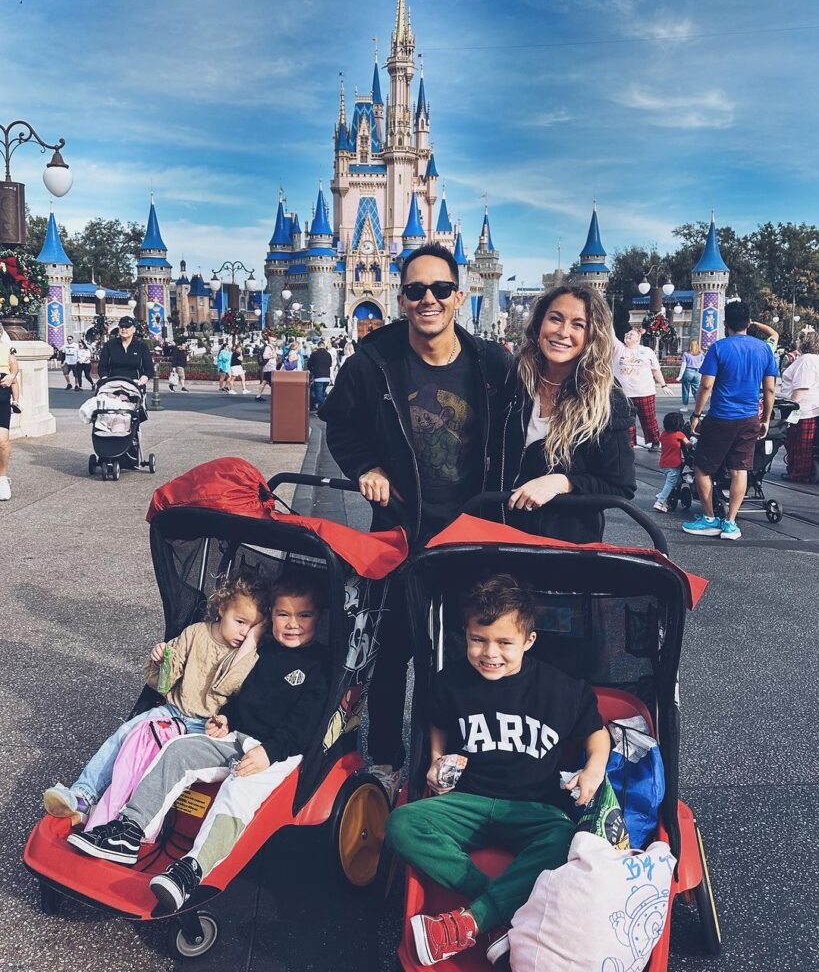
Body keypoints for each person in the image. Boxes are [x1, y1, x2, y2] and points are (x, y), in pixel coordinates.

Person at [319, 243, 514, 799]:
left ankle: (454, 759)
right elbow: (341, 426)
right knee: (391, 650)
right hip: (401, 531)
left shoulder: (490, 365)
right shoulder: (372, 364)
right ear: (401, 298)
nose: (429, 299)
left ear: (459, 295)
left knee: (466, 652)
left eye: (440, 289)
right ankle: (384, 759)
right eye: (416, 290)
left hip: (472, 536)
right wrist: (366, 467)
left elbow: (531, 418)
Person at [67, 571, 330, 913]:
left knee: (238, 790)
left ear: (318, 618)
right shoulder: (264, 652)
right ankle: (129, 831)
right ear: (270, 619)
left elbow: (305, 724)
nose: (293, 624)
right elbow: (243, 697)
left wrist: (269, 752)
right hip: (238, 737)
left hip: (278, 753)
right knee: (179, 749)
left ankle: (192, 869)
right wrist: (228, 718)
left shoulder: (320, 665)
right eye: (283, 615)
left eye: (304, 615)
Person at [386, 573, 609, 967]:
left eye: (505, 643)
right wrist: (437, 760)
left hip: (532, 808)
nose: (490, 653)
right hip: (467, 800)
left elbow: (596, 734)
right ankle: (493, 912)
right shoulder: (451, 682)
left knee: (564, 839)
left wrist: (592, 770)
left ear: (529, 641)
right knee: (402, 822)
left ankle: (470, 921)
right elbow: (437, 721)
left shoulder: (559, 688)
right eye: (478, 640)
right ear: (466, 635)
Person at [42, 572, 270, 824]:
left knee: (160, 759)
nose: (244, 632)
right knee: (126, 733)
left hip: (208, 727)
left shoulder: (249, 655)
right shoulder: (195, 633)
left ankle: (129, 814)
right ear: (222, 607)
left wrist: (252, 643)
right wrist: (162, 660)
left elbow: (227, 687)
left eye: (253, 627)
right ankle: (83, 794)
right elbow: (162, 685)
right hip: (173, 711)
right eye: (240, 622)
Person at [498, 287, 636, 544]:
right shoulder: (514, 380)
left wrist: (562, 483)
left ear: (592, 335)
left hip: (563, 547)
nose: (563, 332)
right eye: (556, 319)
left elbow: (620, 485)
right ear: (540, 323)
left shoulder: (606, 400)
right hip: (498, 535)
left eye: (578, 324)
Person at [682, 300, 778, 541]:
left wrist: (696, 415)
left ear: (725, 324)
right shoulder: (764, 349)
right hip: (749, 418)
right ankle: (731, 523)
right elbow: (769, 390)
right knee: (740, 469)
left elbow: (706, 385)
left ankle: (710, 518)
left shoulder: (719, 348)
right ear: (748, 323)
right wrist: (764, 418)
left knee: (703, 468)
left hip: (721, 417)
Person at [612, 328, 673, 450]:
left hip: (645, 392)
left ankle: (655, 441)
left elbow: (656, 370)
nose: (627, 335)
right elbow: (610, 333)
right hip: (624, 394)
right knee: (627, 421)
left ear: (638, 339)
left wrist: (664, 385)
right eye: (626, 333)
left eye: (631, 334)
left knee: (649, 419)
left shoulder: (647, 351)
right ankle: (629, 444)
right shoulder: (618, 349)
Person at [781, 328, 819, 482]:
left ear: (804, 342)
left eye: (798, 339)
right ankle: (797, 470)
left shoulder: (806, 360)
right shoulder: (813, 358)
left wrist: (791, 407)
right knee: (800, 442)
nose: (796, 342)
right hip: (810, 407)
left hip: (803, 409)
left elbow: (802, 387)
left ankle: (799, 473)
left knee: (799, 443)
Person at [97, 317, 155, 385]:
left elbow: (149, 369)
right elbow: (102, 367)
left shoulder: (142, 346)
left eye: (127, 327)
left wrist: (144, 378)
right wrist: (104, 378)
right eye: (121, 326)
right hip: (112, 383)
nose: (124, 329)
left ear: (134, 329)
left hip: (135, 383)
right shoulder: (109, 345)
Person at [653, 411, 691, 513]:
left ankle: (663, 494)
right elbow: (688, 445)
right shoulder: (679, 434)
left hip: (664, 463)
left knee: (675, 481)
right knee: (671, 482)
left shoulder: (663, 434)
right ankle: (660, 501)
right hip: (674, 464)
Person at [0, 330, 20, 501]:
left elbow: (15, 367)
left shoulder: (6, 348)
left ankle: (2, 479)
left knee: (2, 442)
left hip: (1, 397)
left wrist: (11, 376)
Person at [677, 339, 704, 413]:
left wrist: (680, 376)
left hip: (688, 372)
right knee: (696, 391)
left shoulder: (686, 354)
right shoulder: (701, 354)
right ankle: (699, 408)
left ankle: (685, 407)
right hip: (697, 373)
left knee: (685, 390)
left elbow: (683, 366)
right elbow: (702, 365)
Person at [306, 339, 332, 412]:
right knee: (322, 393)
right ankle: (321, 411)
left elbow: (309, 364)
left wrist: (312, 370)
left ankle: (325, 406)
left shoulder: (314, 354)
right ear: (324, 346)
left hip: (318, 376)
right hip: (327, 376)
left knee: (319, 396)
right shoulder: (328, 354)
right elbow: (330, 364)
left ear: (318, 346)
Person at [256, 337, 277, 401]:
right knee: (272, 382)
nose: (275, 342)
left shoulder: (271, 347)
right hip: (269, 367)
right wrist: (273, 356)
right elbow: (265, 356)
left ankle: (258, 396)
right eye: (274, 341)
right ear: (270, 341)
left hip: (270, 367)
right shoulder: (268, 347)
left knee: (264, 382)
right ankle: (276, 395)